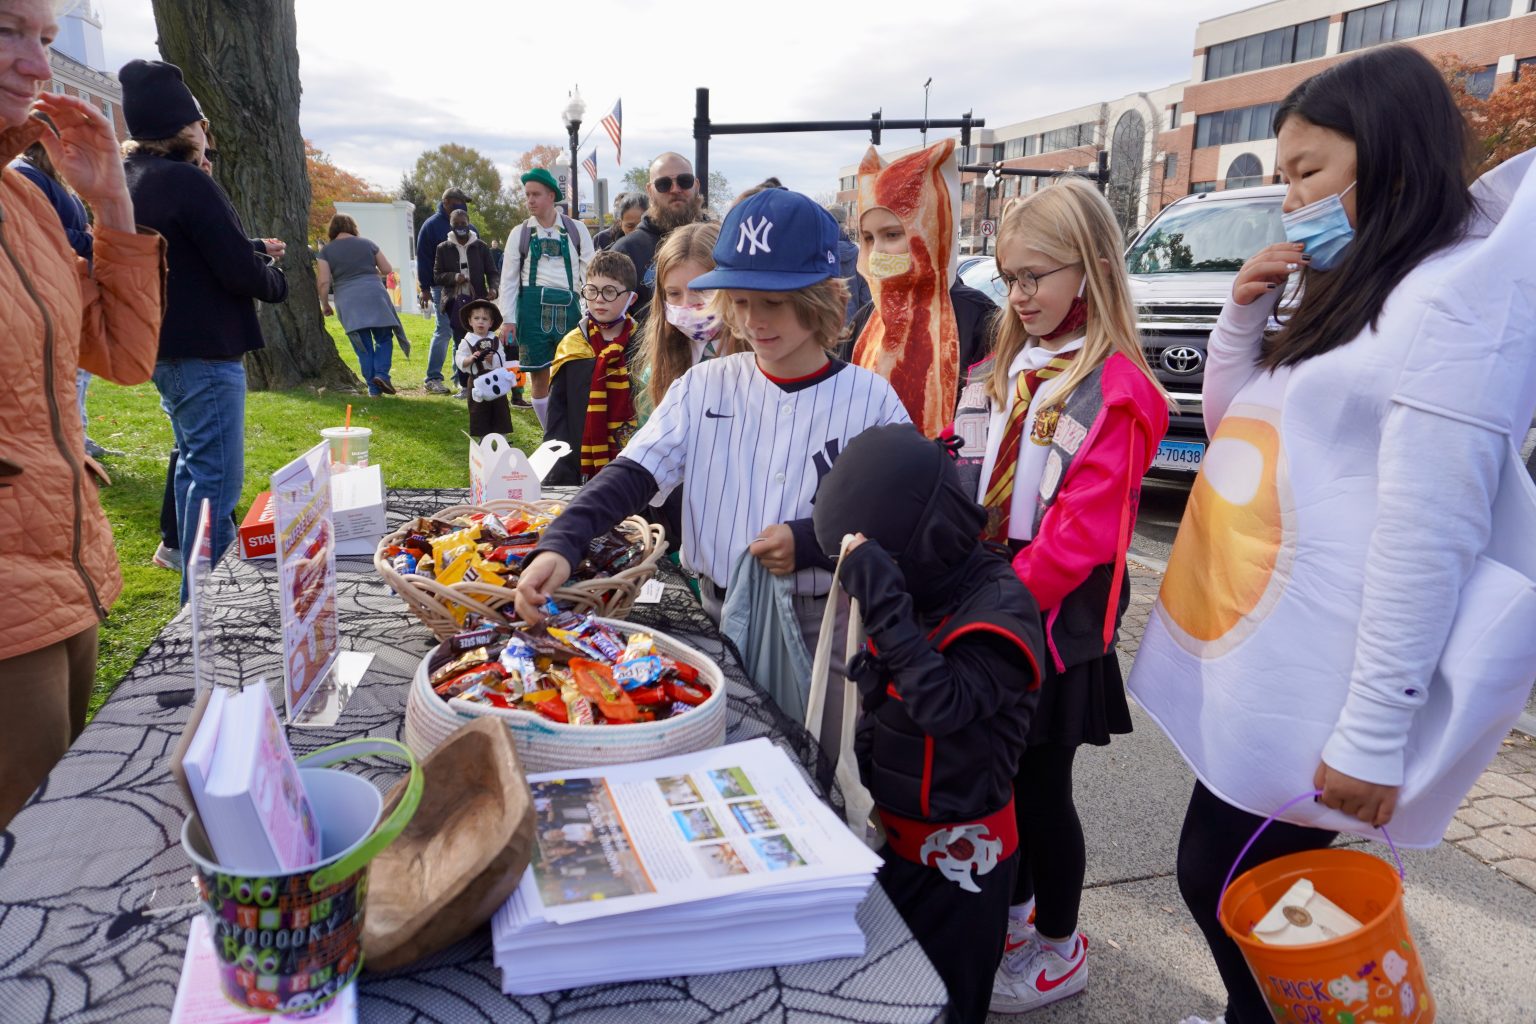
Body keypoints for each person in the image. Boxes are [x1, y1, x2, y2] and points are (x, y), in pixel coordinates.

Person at [1124, 47, 1536, 1024]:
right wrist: (1243, 313)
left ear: (1389, 160)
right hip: (1277, 663)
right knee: (1255, 893)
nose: (1287, 194)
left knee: (1235, 886)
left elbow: (1426, 535)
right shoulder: (1359, 292)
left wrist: (1374, 731)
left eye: (1308, 171)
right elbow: (1241, 429)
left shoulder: (1447, 307)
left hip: (1333, 682)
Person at [512, 189, 910, 674]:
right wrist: (562, 540)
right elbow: (634, 473)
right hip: (716, 610)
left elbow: (902, 519)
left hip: (826, 621)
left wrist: (813, 542)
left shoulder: (872, 399)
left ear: (822, 297)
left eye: (773, 302)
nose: (753, 320)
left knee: (815, 749)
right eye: (740, 300)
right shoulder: (704, 383)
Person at [958, 177, 1169, 1015]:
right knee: (1000, 783)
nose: (1020, 293)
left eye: (1038, 275)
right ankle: (1013, 921)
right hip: (995, 593)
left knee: (1042, 790)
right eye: (1011, 277)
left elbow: (1081, 534)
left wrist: (999, 609)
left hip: (1051, 619)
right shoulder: (1012, 363)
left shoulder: (1114, 389)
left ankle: (1059, 944)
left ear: (1091, 270)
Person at [811, 424, 1044, 1024]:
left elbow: (942, 705)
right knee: (883, 1000)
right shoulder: (926, 586)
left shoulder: (1001, 606)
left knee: (944, 1010)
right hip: (895, 846)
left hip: (962, 870)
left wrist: (885, 599)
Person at [0, 2, 165, 829]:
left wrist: (110, 204)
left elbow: (123, 358)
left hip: (67, 569)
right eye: (7, 32)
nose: (36, 66)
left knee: (62, 830)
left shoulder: (25, 203)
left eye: (47, 41)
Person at [120, 58, 288, 593]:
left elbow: (183, 255)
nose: (205, 132)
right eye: (199, 123)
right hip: (203, 353)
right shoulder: (187, 181)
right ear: (184, 126)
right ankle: (205, 611)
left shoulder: (131, 180)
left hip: (161, 348)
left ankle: (195, 604)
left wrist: (252, 247)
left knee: (195, 475)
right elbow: (236, 271)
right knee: (215, 483)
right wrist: (274, 277)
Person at [844, 140, 997, 437]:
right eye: (868, 238)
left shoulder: (977, 317)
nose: (878, 252)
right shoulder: (866, 319)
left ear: (927, 231)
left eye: (891, 234)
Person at [10, 125, 109, 459]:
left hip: (66, 285)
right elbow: (46, 230)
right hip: (40, 287)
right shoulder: (25, 174)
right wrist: (97, 243)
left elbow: (71, 228)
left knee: (76, 370)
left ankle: (75, 437)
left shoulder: (50, 177)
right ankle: (64, 441)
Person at [496, 167, 593, 429]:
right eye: (527, 195)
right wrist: (508, 319)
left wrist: (590, 311)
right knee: (538, 375)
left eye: (536, 194)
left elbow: (590, 272)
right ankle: (549, 433)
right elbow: (508, 278)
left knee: (572, 371)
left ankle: (572, 429)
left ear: (551, 195)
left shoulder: (576, 230)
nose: (530, 200)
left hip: (570, 309)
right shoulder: (521, 232)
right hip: (531, 310)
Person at [542, 250, 640, 486]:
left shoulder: (643, 346)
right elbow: (558, 417)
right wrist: (558, 475)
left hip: (634, 468)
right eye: (592, 290)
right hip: (579, 469)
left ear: (631, 299)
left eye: (609, 291)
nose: (598, 299)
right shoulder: (572, 346)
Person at [317, 213, 406, 397]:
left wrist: (325, 304)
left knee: (363, 347)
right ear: (353, 227)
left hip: (349, 302)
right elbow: (387, 269)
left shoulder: (326, 251)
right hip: (376, 296)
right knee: (383, 339)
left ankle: (374, 390)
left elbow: (324, 282)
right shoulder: (368, 244)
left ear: (332, 229)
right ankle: (381, 375)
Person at [611, 151, 706, 312]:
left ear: (696, 185)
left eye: (684, 181)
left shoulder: (720, 241)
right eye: (664, 184)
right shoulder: (625, 251)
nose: (675, 189)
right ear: (650, 190)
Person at [415, 186, 476, 394]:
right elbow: (423, 259)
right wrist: (424, 288)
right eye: (460, 202)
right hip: (442, 286)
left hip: (466, 287)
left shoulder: (469, 227)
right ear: (448, 202)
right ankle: (433, 378)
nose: (464, 206)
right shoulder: (431, 226)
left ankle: (459, 376)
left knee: (461, 331)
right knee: (444, 330)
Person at [434, 206, 498, 394]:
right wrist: (454, 277)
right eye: (456, 224)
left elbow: (492, 271)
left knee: (482, 340)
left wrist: (493, 287)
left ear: (468, 223)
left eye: (463, 224)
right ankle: (464, 385)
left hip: (477, 301)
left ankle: (484, 380)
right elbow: (437, 276)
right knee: (461, 342)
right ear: (451, 225)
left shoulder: (481, 247)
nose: (460, 227)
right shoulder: (443, 248)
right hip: (455, 303)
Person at [454, 299, 513, 439]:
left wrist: (492, 359)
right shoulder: (467, 341)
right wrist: (470, 359)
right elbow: (459, 359)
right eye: (477, 318)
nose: (481, 322)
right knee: (479, 411)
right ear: (470, 321)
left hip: (496, 381)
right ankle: (483, 441)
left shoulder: (495, 340)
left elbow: (502, 359)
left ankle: (502, 438)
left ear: (491, 323)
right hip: (477, 383)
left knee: (500, 410)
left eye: (485, 319)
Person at [826, 203, 869, 326]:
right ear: (844, 224)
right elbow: (865, 296)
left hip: (823, 326)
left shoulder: (817, 251)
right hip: (852, 324)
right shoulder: (858, 253)